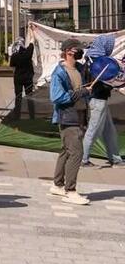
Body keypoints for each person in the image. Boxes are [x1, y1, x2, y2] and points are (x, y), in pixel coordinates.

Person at [49, 38, 92, 205]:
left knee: (66, 151)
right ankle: (70, 191)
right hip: (67, 117)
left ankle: (57, 185)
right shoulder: (59, 72)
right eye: (77, 50)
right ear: (68, 51)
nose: (80, 52)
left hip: (80, 115)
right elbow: (57, 97)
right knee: (76, 153)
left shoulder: (80, 69)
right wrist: (79, 93)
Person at [82, 34, 123, 167]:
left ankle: (115, 158)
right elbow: (104, 82)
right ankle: (83, 159)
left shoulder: (91, 59)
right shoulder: (100, 62)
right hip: (98, 99)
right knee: (93, 130)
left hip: (99, 99)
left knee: (109, 130)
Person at [8, 38, 36, 120]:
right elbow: (31, 43)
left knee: (18, 96)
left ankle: (17, 115)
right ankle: (32, 115)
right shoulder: (28, 52)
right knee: (30, 96)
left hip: (18, 78)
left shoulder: (14, 55)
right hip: (28, 78)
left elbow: (12, 67)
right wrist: (32, 31)